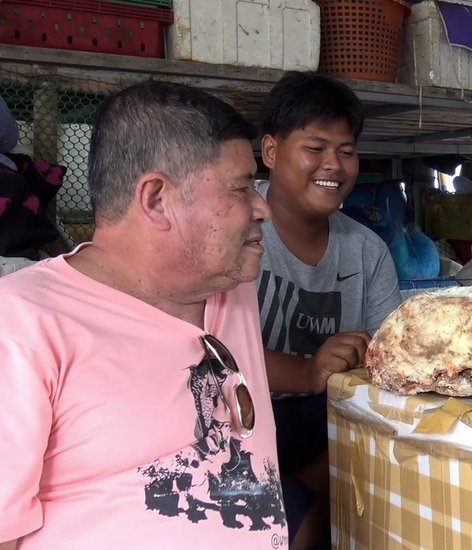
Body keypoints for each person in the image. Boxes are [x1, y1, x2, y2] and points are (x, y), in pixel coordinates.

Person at [0, 81, 287, 548]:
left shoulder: (229, 288)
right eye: (240, 188)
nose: (263, 209)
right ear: (156, 199)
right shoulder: (21, 326)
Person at [255, 71, 402, 548]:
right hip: (247, 426)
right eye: (315, 148)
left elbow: (392, 368)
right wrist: (307, 370)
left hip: (336, 431)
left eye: (346, 151)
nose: (333, 165)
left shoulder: (367, 252)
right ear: (271, 151)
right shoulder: (236, 234)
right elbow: (208, 356)